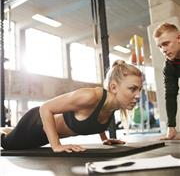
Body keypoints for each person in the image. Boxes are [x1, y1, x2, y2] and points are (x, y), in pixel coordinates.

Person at [1, 60, 142, 152]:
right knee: (6, 144)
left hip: (46, 136)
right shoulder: (90, 96)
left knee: (13, 134)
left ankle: (8, 130)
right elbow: (45, 108)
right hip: (36, 124)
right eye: (133, 89)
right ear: (114, 87)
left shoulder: (113, 104)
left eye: (139, 90)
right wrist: (56, 146)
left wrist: (104, 139)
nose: (138, 95)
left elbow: (96, 115)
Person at [153, 23, 180, 140]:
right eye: (159, 46)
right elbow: (170, 96)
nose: (163, 50)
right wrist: (171, 126)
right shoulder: (169, 67)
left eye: (166, 44)